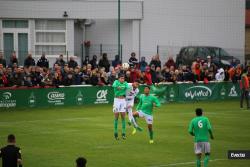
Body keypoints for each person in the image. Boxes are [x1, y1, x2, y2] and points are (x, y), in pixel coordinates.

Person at [112, 74, 129, 140]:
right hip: (116, 100)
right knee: (116, 116)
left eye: (123, 78)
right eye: (121, 78)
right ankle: (115, 133)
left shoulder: (125, 83)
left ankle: (123, 133)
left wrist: (120, 87)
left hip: (123, 100)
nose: (122, 79)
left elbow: (127, 87)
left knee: (123, 116)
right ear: (118, 79)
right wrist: (118, 86)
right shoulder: (116, 82)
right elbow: (114, 86)